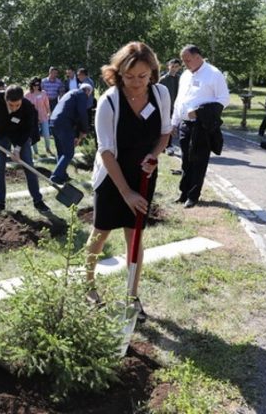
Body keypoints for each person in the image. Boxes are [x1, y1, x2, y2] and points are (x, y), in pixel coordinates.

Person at [86, 41, 172, 323]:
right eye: (130, 76)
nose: (136, 83)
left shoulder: (160, 94)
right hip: (112, 176)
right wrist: (125, 192)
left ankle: (132, 296)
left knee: (135, 236)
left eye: (143, 76)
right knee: (101, 232)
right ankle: (88, 286)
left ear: (153, 73)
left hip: (144, 172)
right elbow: (106, 150)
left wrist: (154, 156)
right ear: (118, 72)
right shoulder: (109, 101)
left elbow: (164, 134)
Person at [0, 85, 50, 214]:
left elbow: (28, 130)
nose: (14, 108)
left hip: (20, 136)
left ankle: (38, 201)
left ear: (21, 100)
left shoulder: (27, 106)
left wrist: (18, 148)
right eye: (11, 105)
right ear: (5, 99)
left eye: (17, 105)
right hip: (1, 135)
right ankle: (0, 203)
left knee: (29, 166)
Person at [171, 45, 230, 208]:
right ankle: (183, 193)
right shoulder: (185, 75)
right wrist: (174, 122)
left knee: (198, 161)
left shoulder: (213, 74)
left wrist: (200, 112)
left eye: (187, 60)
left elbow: (224, 99)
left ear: (198, 57)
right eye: (183, 61)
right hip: (184, 124)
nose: (185, 64)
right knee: (185, 160)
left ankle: (193, 195)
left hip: (201, 126)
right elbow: (179, 100)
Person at [49, 83, 93, 184]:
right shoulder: (82, 95)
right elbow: (82, 114)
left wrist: (77, 135)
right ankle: (55, 176)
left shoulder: (71, 93)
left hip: (53, 122)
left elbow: (75, 114)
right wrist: (85, 131)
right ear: (88, 91)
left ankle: (62, 175)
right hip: (65, 123)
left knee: (61, 151)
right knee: (69, 153)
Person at [25, 77, 53, 157]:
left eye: (38, 84)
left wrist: (49, 113)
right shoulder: (27, 94)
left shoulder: (43, 93)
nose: (36, 86)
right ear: (31, 85)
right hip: (32, 118)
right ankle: (35, 151)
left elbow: (47, 104)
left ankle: (48, 148)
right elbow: (25, 106)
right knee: (34, 135)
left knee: (46, 133)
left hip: (43, 116)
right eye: (34, 84)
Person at [159, 58, 182, 154]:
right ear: (168, 66)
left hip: (176, 107)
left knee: (172, 127)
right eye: (172, 66)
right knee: (164, 126)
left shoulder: (180, 79)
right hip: (165, 107)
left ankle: (169, 145)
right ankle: (162, 146)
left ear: (179, 68)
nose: (174, 68)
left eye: (176, 67)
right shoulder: (163, 79)